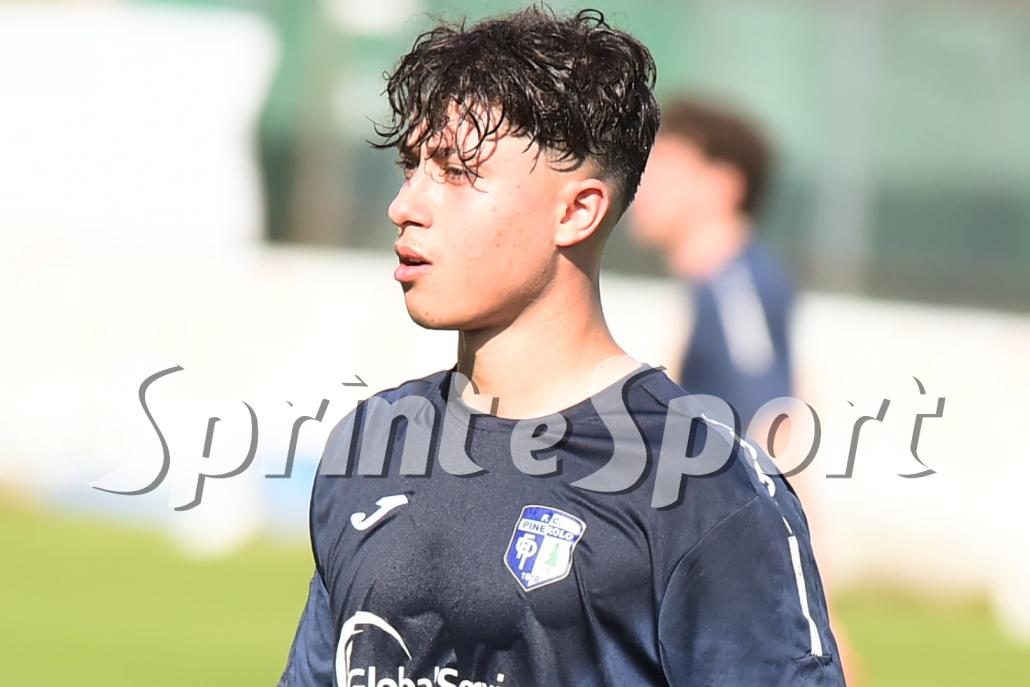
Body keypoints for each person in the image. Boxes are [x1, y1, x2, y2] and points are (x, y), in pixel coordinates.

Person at [279, 8, 845, 686]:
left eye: (456, 171)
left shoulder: (705, 488)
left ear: (577, 211)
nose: (405, 205)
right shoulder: (373, 443)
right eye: (411, 166)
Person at [630, 99, 795, 434]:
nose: (641, 187)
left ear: (723, 184)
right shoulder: (717, 284)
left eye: (663, 173)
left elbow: (771, 424)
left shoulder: (734, 290)